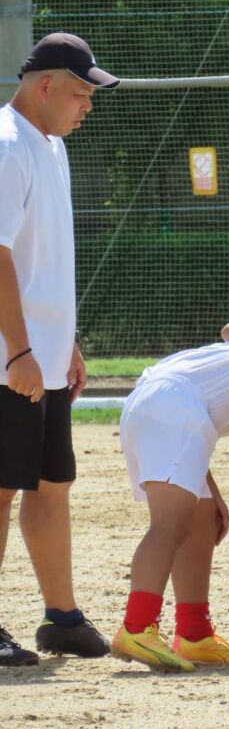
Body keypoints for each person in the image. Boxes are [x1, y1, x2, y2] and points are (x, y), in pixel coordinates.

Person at [0, 33, 119, 666]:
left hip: (40, 358)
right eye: (80, 93)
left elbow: (42, 257)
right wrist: (19, 351)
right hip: (7, 361)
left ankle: (62, 617)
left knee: (51, 485)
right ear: (45, 86)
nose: (88, 106)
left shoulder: (51, 145)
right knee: (0, 489)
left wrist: (63, 341)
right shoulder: (6, 145)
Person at [111, 310, 229, 672]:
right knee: (168, 526)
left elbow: (224, 341)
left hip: (163, 405)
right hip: (174, 408)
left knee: (202, 519)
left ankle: (194, 634)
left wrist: (210, 488)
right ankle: (136, 627)